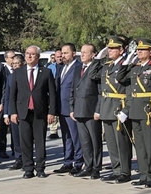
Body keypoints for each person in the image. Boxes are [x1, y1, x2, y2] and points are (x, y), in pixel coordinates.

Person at [8, 46, 58, 179]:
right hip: (23, 112)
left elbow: (52, 94)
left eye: (32, 54)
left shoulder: (46, 72)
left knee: (40, 141)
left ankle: (40, 168)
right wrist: (12, 112)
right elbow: (12, 95)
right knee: (25, 142)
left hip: (40, 112)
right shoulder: (18, 73)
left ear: (38, 57)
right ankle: (28, 168)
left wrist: (51, 112)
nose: (29, 56)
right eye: (27, 54)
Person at [123, 39, 151, 188]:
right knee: (140, 146)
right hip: (135, 110)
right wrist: (128, 61)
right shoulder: (135, 68)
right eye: (138, 50)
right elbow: (121, 78)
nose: (139, 52)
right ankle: (143, 174)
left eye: (143, 50)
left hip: (149, 111)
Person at [98, 36, 133, 184]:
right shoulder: (107, 65)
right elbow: (94, 74)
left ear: (122, 50)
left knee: (122, 142)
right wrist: (98, 57)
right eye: (109, 48)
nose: (109, 51)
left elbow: (130, 90)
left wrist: (126, 109)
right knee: (111, 143)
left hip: (119, 106)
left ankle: (125, 171)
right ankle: (116, 169)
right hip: (107, 107)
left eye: (113, 49)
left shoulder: (126, 65)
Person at [69, 43, 104, 179]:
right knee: (84, 141)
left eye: (85, 52)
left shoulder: (97, 69)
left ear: (93, 54)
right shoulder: (78, 69)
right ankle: (88, 166)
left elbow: (100, 92)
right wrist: (72, 108)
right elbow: (73, 89)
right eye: (81, 52)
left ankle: (96, 168)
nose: (82, 54)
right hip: (79, 110)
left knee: (95, 141)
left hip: (91, 110)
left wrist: (98, 110)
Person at [53, 43, 82, 174]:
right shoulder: (61, 68)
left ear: (74, 54)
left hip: (72, 109)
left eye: (66, 53)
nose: (63, 56)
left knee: (75, 136)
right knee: (66, 137)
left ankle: (79, 162)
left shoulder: (78, 67)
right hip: (61, 108)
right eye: (62, 53)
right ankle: (67, 161)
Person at [2, 52, 24, 170]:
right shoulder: (10, 77)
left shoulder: (26, 75)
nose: (15, 66)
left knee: (25, 137)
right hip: (13, 111)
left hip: (25, 111)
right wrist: (7, 113)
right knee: (15, 137)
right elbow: (7, 96)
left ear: (22, 64)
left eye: (17, 63)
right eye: (13, 64)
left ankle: (26, 159)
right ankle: (18, 159)